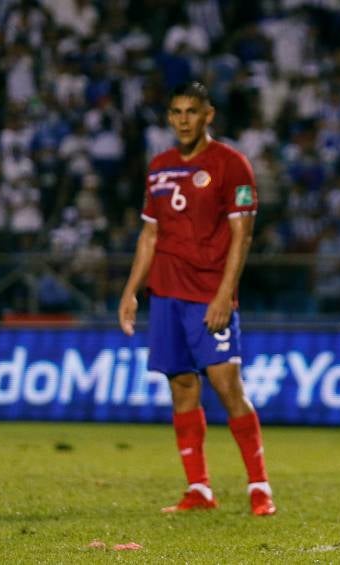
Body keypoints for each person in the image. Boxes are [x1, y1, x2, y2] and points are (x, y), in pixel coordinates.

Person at [118, 81, 275, 516]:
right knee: (182, 387)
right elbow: (150, 234)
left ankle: (259, 486)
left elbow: (242, 235)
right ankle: (199, 489)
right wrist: (132, 290)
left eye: (191, 111)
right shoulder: (159, 167)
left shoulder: (231, 164)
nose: (183, 119)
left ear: (208, 116)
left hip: (209, 294)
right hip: (166, 294)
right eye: (176, 112)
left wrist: (225, 294)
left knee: (227, 387)